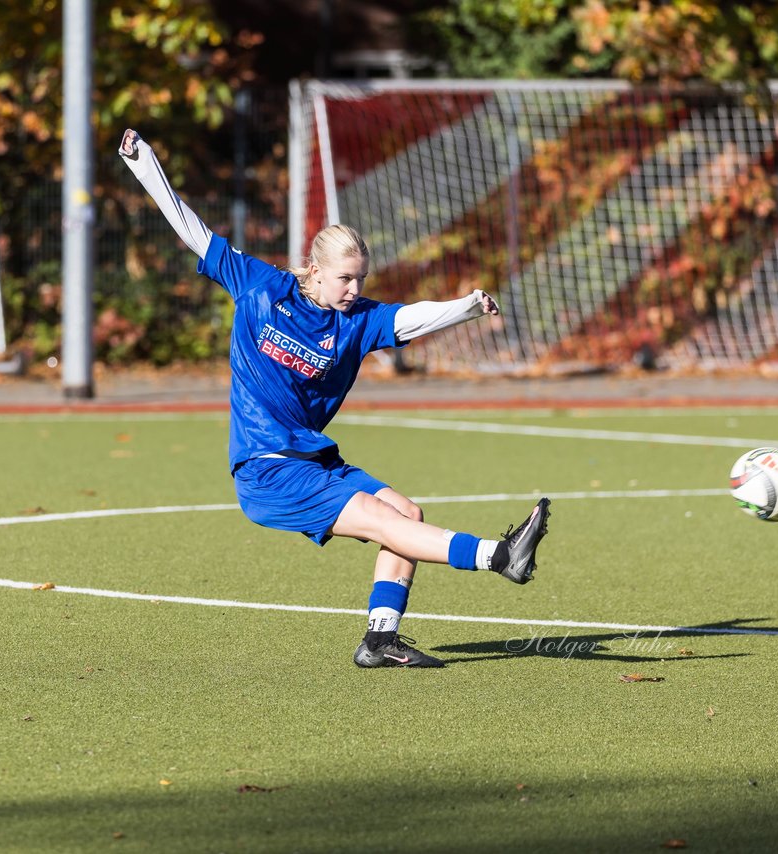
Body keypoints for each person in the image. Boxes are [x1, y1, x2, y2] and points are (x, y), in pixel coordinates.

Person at [118, 129, 551, 668]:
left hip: (313, 458)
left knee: (405, 511)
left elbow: (408, 317)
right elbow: (192, 229)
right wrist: (144, 163)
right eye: (345, 278)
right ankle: (499, 556)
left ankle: (380, 640)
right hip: (267, 468)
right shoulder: (260, 287)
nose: (354, 289)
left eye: (361, 278)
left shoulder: (357, 320)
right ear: (315, 271)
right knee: (382, 519)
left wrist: (464, 307)